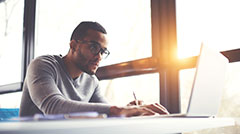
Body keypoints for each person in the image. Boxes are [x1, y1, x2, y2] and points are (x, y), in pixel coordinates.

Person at [19, 21, 169, 117]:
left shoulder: (92, 81)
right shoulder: (42, 65)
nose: (99, 57)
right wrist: (116, 110)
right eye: (93, 47)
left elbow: (107, 111)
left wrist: (127, 110)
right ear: (73, 46)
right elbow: (53, 107)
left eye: (103, 51)